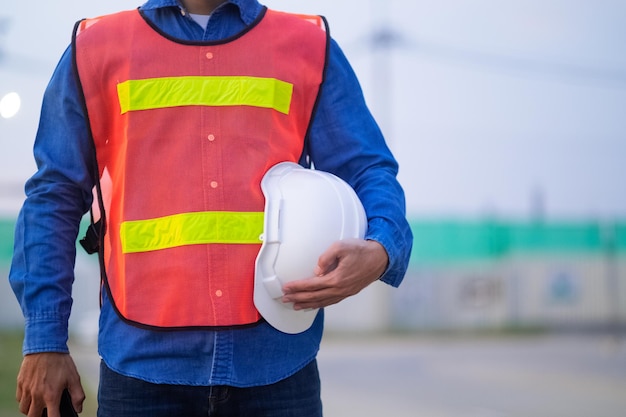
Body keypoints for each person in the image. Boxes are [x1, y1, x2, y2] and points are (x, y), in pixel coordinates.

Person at [9, 0, 413, 416]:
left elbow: (367, 168)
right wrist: (44, 339)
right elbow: (53, 196)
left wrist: (382, 248)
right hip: (142, 369)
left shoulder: (308, 43)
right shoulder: (96, 46)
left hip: (277, 365)